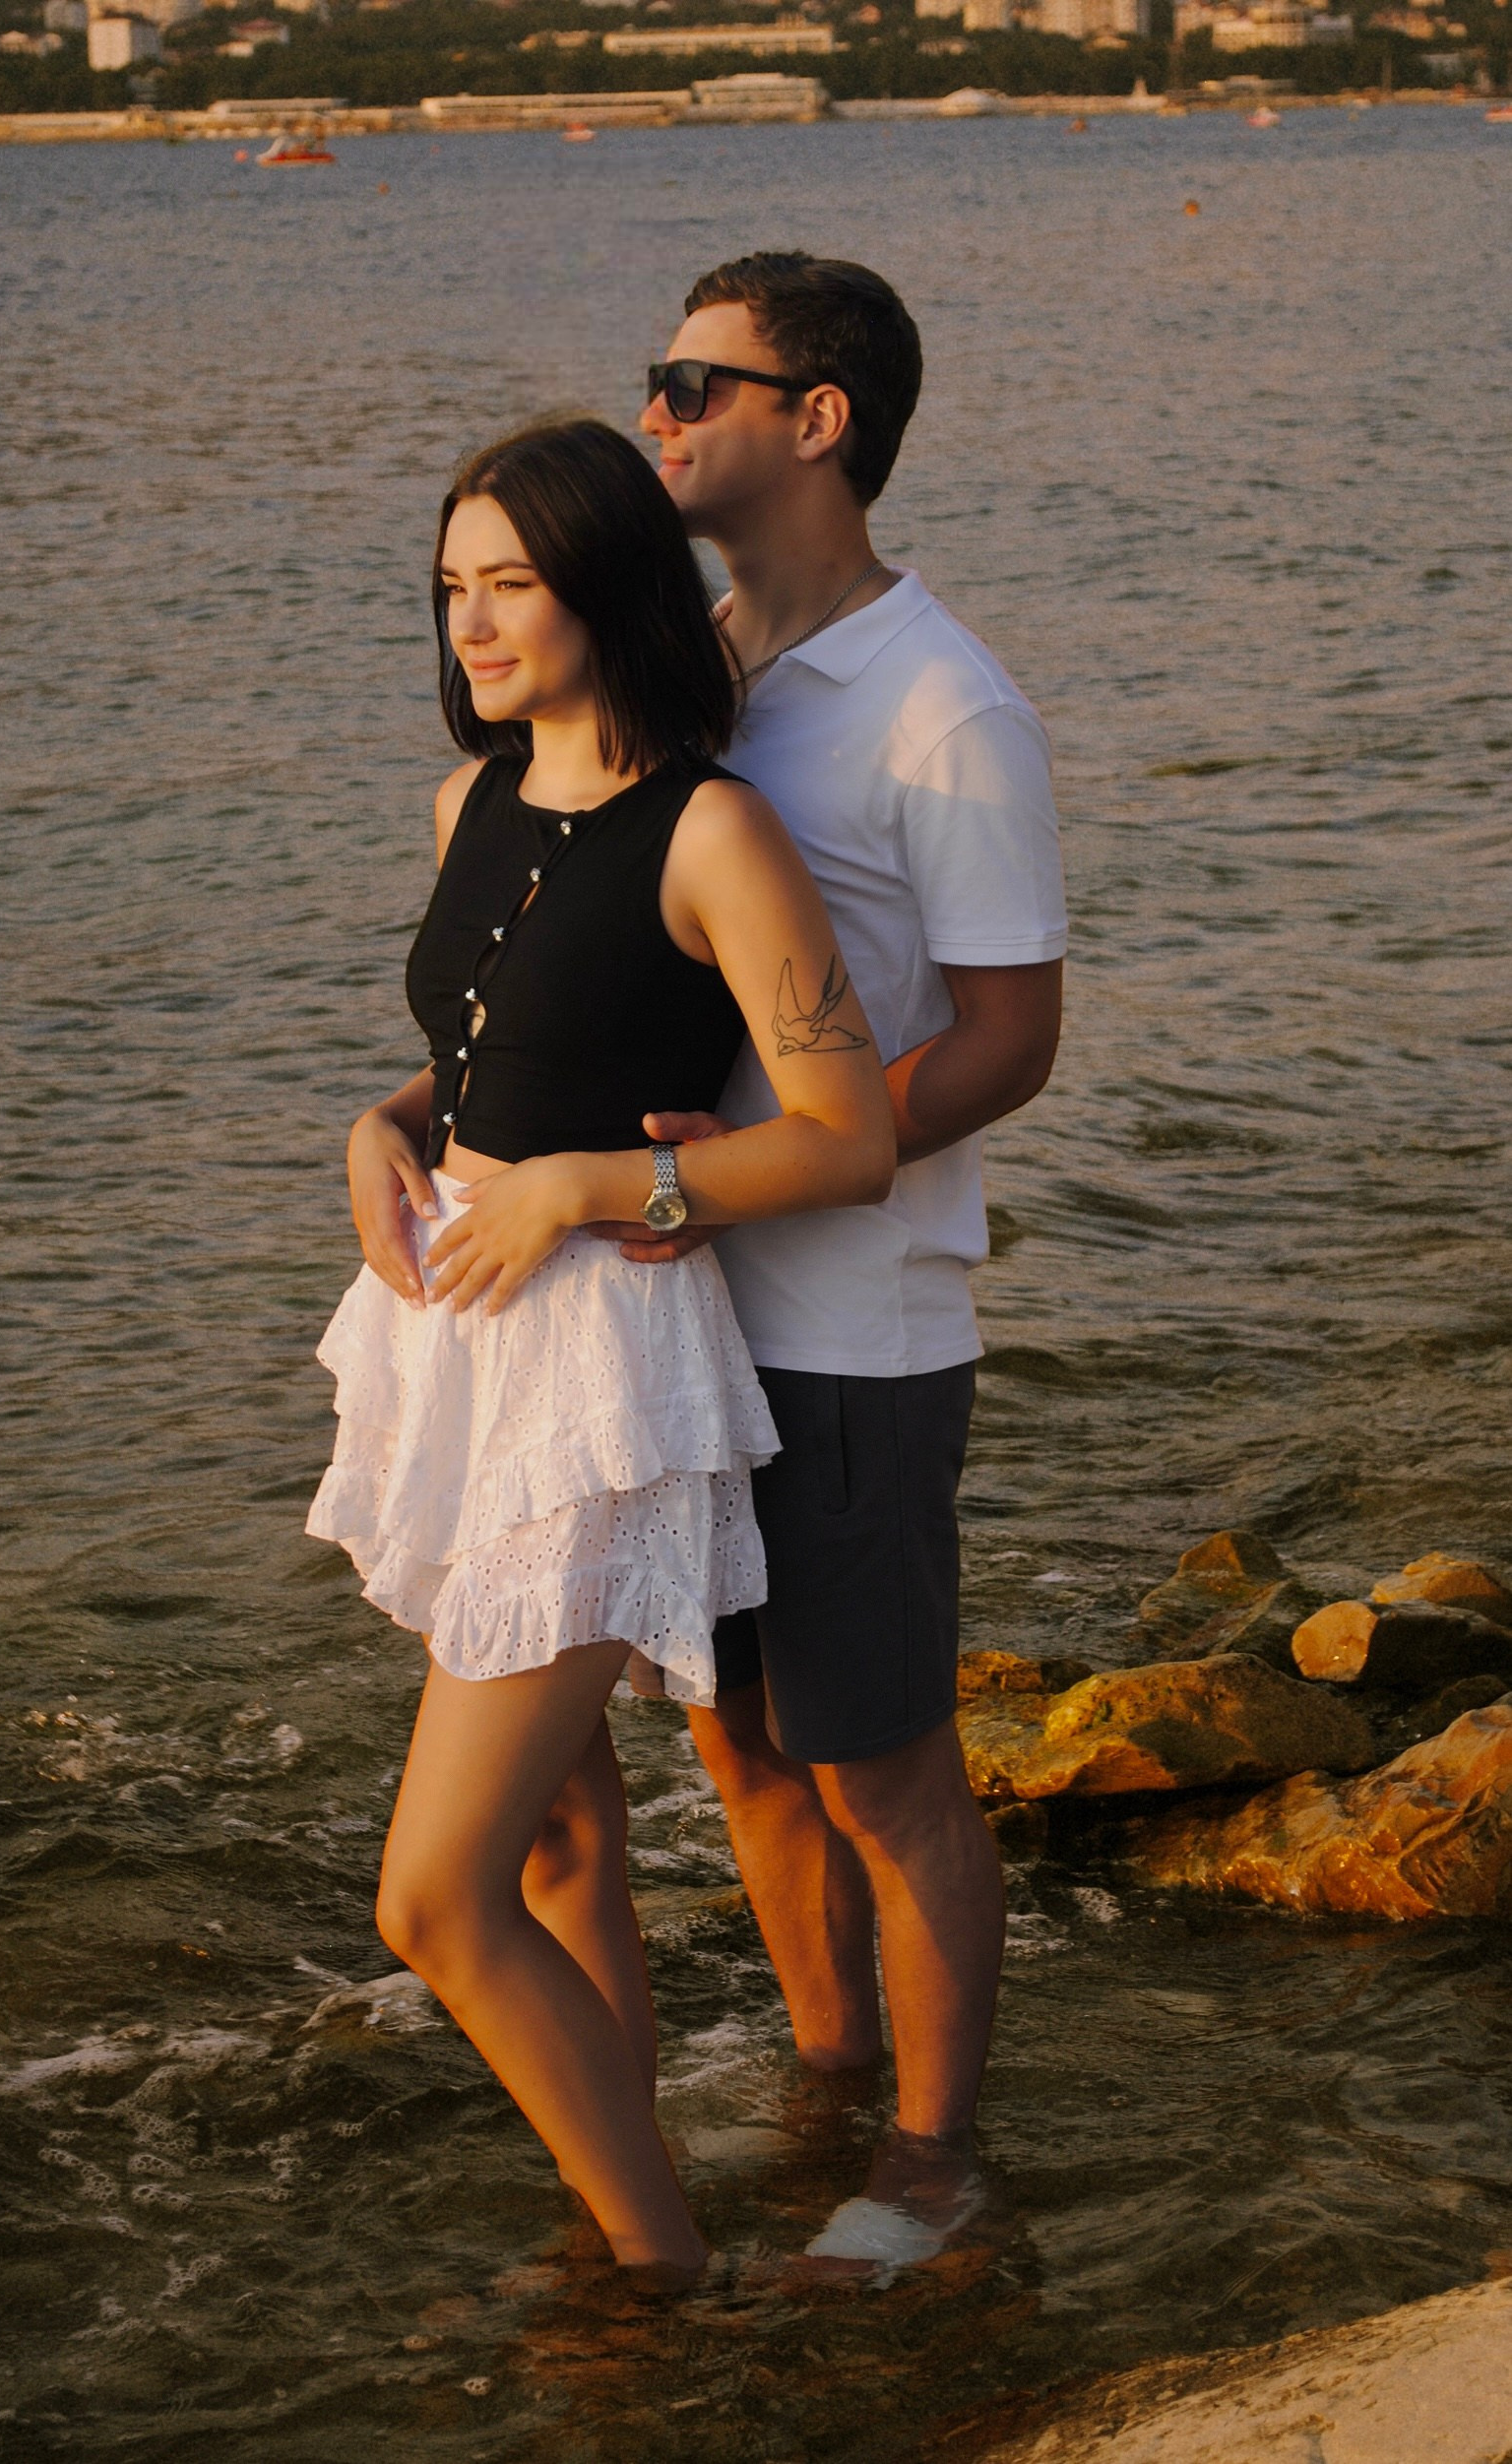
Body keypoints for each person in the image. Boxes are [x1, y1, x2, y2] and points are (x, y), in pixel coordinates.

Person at [304, 416, 895, 2279]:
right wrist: (381, 1124)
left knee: (434, 1898)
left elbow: (849, 1133)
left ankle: (663, 2278)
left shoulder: (713, 831)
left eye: (512, 584)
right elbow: (493, 1055)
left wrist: (580, 1190)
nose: (471, 624)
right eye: (451, 587)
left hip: (597, 1372)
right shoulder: (466, 803)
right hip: (452, 1347)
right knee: (559, 1838)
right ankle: (613, 2213)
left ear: (607, 588)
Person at [630, 254, 1067, 2255]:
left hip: (854, 1324)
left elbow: (1010, 1035)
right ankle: (827, 2076)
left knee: (882, 1768)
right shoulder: (696, 665)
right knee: (736, 1737)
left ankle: (934, 2161)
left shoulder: (942, 702)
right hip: (678, 1311)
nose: (655, 413)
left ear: (818, 420)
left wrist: (779, 1163)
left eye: (692, 382)